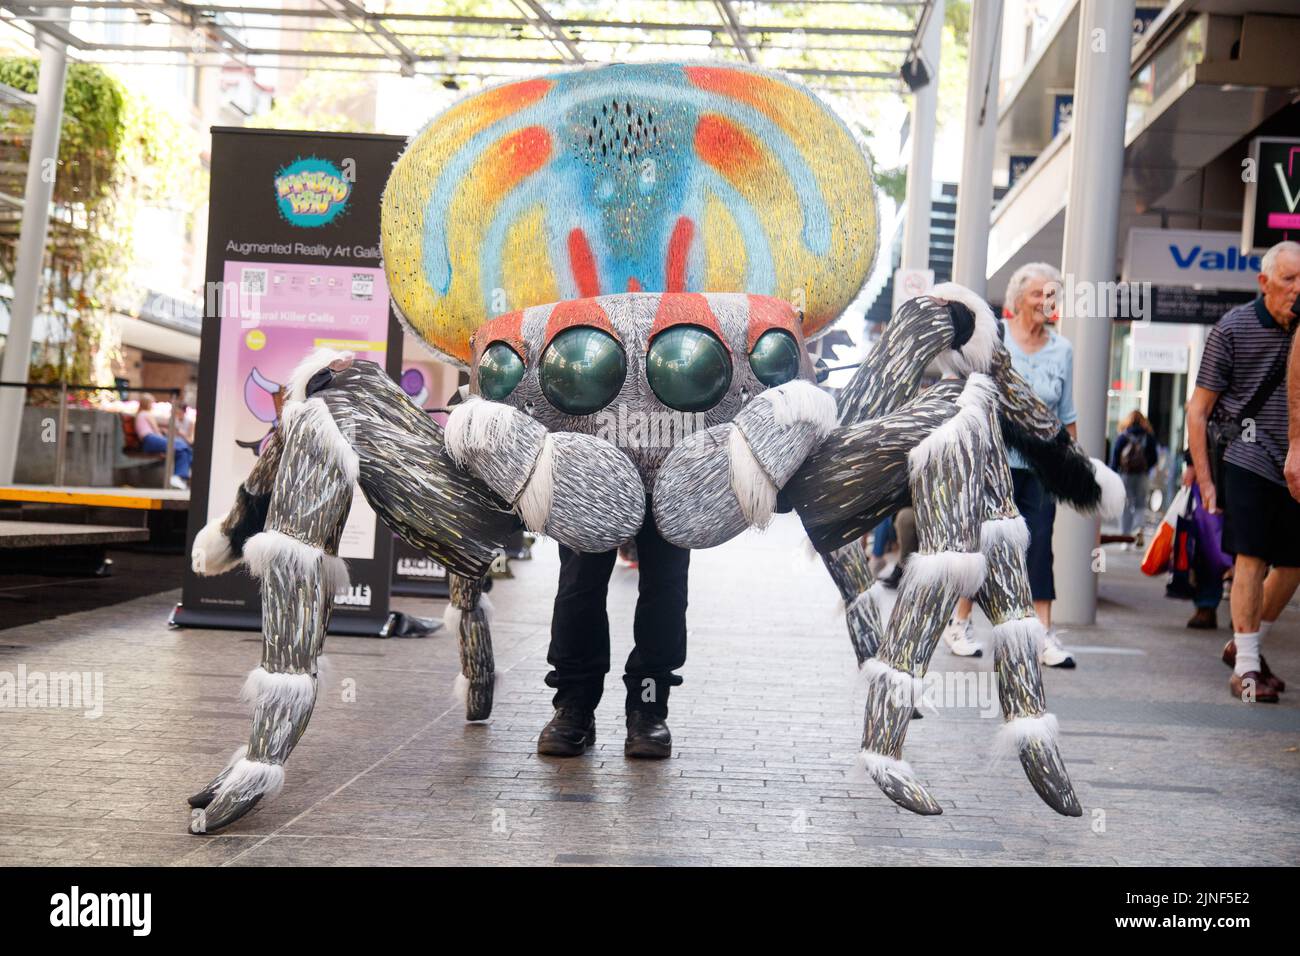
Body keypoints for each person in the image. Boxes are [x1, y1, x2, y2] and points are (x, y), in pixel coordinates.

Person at [940, 262, 1077, 667]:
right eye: (1038, 294)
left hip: (1041, 466)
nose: (1045, 301)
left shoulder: (1063, 350)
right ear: (1017, 300)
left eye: (1051, 294)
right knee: (982, 543)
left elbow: (1067, 413)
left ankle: (1043, 634)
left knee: (1040, 548)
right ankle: (960, 622)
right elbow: (965, 392)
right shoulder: (995, 342)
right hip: (993, 461)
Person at [1186, 240, 1300, 703]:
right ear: (1264, 282)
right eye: (1289, 279)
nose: (1297, 289)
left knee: (1293, 563)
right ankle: (1248, 669)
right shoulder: (1232, 328)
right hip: (1247, 455)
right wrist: (1206, 479)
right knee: (1251, 557)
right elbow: (1198, 411)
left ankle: (1243, 645)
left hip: (1294, 460)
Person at [538, 507, 689, 759]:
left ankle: (648, 706)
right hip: (589, 478)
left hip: (670, 476)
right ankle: (574, 704)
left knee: (665, 588)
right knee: (578, 584)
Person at [1109, 409, 1157, 545]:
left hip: (1125, 475)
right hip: (1142, 475)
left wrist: (1114, 474)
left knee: (1126, 504)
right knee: (1140, 503)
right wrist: (1146, 467)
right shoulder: (1148, 437)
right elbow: (1154, 458)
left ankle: (1125, 537)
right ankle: (1137, 530)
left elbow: (1115, 457)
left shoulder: (1123, 436)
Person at [135, 393, 192, 490]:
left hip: (149, 441)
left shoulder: (140, 414)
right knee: (182, 446)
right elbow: (156, 431)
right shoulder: (146, 414)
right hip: (150, 440)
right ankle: (182, 475)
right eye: (152, 403)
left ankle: (179, 477)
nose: (153, 405)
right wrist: (165, 444)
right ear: (147, 403)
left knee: (183, 450)